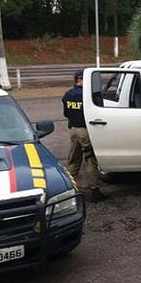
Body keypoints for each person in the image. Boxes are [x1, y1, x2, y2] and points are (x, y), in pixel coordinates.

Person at [62, 69, 107, 202]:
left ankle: (68, 189)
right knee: (90, 160)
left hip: (73, 130)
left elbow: (66, 113)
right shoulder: (87, 95)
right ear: (82, 80)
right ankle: (94, 190)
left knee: (73, 160)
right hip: (85, 131)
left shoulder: (68, 94)